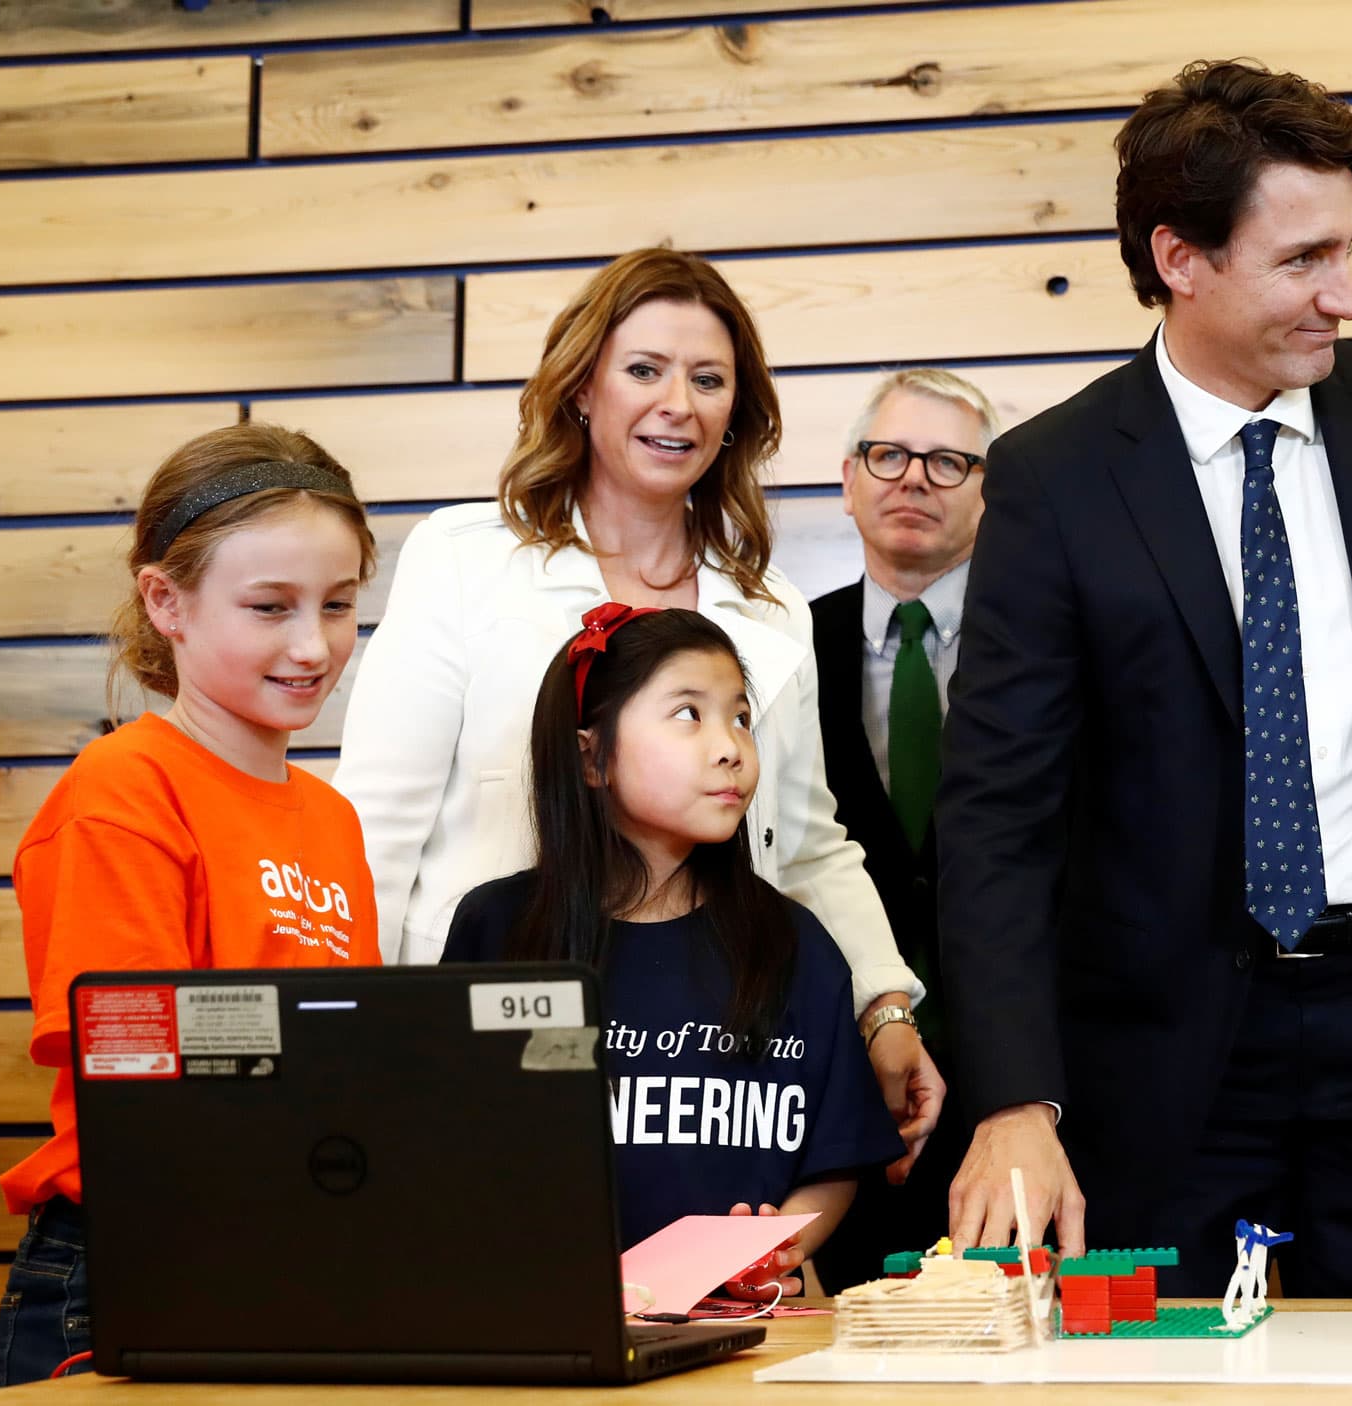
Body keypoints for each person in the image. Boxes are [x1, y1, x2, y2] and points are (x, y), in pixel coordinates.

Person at [938, 59, 1352, 1297]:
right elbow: (997, 810)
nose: (1342, 296)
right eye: (1300, 261)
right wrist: (1013, 1092)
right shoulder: (1056, 475)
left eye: (1349, 251)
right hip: (1159, 1048)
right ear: (1181, 258)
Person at [332, 248, 943, 1163]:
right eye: (645, 370)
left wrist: (884, 1007)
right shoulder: (463, 558)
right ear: (583, 388)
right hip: (486, 1034)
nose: (678, 404)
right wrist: (359, 1051)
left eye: (708, 379)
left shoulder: (768, 607)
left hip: (707, 1065)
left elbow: (810, 844)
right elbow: (375, 831)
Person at [0, 424, 382, 1386]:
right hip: (134, 1259)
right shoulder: (121, 789)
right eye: (268, 607)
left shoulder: (332, 819)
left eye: (337, 607)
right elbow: (139, 1065)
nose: (312, 645)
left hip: (292, 1252)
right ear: (165, 600)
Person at [442, 607, 903, 1292]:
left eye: (741, 717)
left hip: (748, 1340)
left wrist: (777, 1247)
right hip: (549, 1323)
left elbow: (834, 1163)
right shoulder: (500, 929)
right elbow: (450, 1149)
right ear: (591, 756)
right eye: (689, 714)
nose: (730, 748)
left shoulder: (794, 942)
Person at [805, 369, 997, 1289]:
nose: (914, 478)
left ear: (987, 492)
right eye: (889, 455)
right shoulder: (781, 650)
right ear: (849, 481)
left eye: (949, 461)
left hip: (1018, 1084)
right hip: (837, 1084)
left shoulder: (1049, 647)